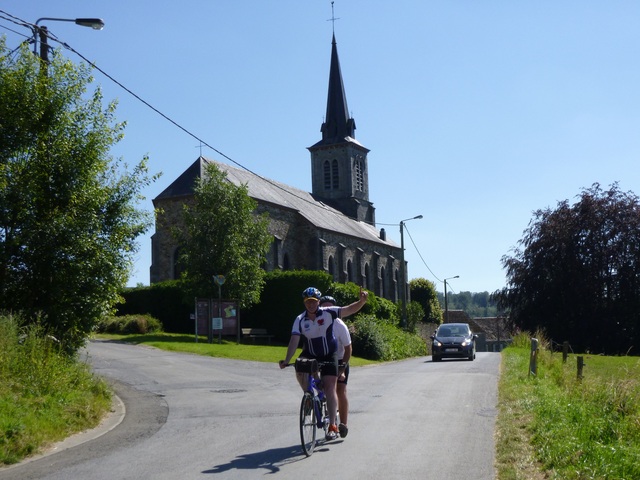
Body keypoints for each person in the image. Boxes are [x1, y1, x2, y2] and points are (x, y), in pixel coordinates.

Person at [280, 286, 368, 441]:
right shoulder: (300, 319)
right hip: (311, 352)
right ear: (304, 303)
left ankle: (333, 424)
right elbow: (294, 340)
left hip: (329, 353)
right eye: (308, 302)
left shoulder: (328, 313)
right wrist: (287, 360)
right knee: (299, 368)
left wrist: (361, 301)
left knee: (329, 386)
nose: (311, 304)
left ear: (318, 302)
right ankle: (309, 396)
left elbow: (349, 310)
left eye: (313, 301)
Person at [319, 295, 351, 439]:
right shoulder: (318, 322)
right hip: (326, 359)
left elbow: (348, 349)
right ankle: (328, 419)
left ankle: (343, 424)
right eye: (323, 306)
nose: (326, 309)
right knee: (327, 388)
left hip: (341, 359)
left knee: (340, 389)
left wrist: (342, 369)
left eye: (329, 307)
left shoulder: (340, 325)